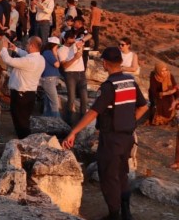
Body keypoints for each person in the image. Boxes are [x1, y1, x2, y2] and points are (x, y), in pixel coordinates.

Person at [62, 47, 148, 220]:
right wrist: (131, 123)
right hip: (127, 137)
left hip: (111, 138)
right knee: (122, 174)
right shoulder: (130, 81)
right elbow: (143, 106)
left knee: (108, 176)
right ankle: (126, 212)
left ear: (105, 64)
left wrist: (74, 132)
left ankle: (114, 214)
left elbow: (93, 112)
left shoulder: (108, 87)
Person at [1, 37, 44, 139]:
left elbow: (8, 60)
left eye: (27, 44)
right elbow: (26, 55)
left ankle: (24, 142)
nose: (26, 45)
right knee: (24, 119)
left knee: (20, 121)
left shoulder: (28, 61)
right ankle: (25, 139)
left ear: (32, 45)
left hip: (21, 95)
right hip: (30, 94)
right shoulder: (41, 59)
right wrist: (15, 49)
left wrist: (3, 48)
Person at [60, 33, 87, 125]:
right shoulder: (61, 50)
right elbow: (64, 66)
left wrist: (82, 42)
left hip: (81, 73)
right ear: (65, 39)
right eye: (70, 39)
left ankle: (83, 121)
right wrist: (75, 58)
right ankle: (69, 122)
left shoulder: (76, 45)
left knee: (84, 98)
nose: (73, 40)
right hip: (70, 74)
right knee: (71, 98)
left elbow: (89, 35)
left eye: (74, 38)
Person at [40, 37, 63, 118]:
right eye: (57, 46)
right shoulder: (48, 53)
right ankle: (57, 122)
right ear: (53, 45)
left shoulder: (48, 53)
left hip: (50, 79)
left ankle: (47, 119)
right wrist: (55, 54)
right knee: (54, 102)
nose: (58, 48)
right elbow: (57, 64)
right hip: (49, 79)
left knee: (48, 102)